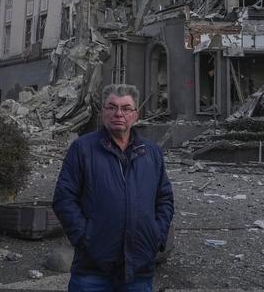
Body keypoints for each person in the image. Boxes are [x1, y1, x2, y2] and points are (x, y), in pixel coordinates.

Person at [53, 83, 174, 292]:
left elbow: (164, 198)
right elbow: (64, 198)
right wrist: (84, 238)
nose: (119, 113)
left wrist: (156, 235)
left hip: (139, 268)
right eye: (112, 107)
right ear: (103, 112)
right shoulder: (83, 149)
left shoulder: (151, 152)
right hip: (92, 269)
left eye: (126, 108)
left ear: (136, 115)